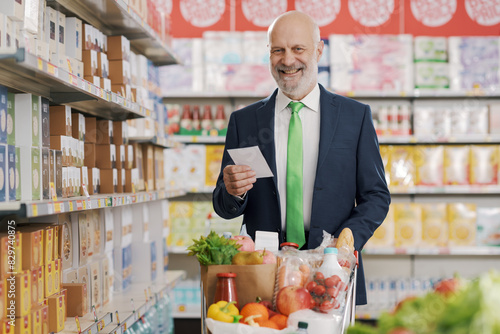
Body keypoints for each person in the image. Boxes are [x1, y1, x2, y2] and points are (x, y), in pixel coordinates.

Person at [212, 10, 391, 305]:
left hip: (332, 270)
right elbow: (224, 206)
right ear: (268, 53)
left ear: (319, 50)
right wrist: (233, 191)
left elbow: (376, 195)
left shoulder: (354, 117)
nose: (288, 60)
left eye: (298, 49)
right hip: (264, 272)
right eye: (278, 50)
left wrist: (348, 238)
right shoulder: (245, 122)